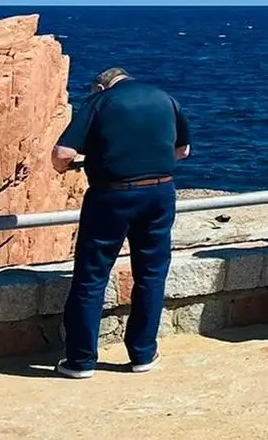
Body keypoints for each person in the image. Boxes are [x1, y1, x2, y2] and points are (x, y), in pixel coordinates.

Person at [50, 68, 191, 379]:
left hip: (112, 197)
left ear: (101, 85)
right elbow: (183, 150)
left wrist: (66, 167)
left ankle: (81, 360)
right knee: (151, 274)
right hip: (160, 193)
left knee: (92, 276)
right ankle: (143, 354)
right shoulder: (165, 98)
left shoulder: (100, 101)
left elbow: (63, 152)